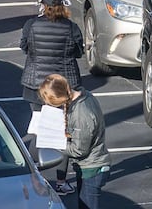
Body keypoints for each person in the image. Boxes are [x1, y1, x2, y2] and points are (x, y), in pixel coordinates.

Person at [20, 0, 83, 195]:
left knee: (38, 128)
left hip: (35, 86)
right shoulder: (71, 27)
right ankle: (61, 181)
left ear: (43, 5)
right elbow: (78, 51)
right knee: (62, 132)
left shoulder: (31, 25)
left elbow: (24, 47)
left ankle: (32, 174)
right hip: (63, 86)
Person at [39, 74, 111, 209]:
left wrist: (56, 145)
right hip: (91, 165)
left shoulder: (81, 114)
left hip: (91, 169)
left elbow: (79, 150)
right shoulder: (85, 96)